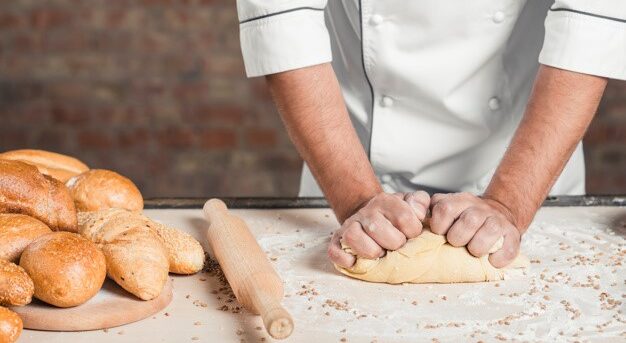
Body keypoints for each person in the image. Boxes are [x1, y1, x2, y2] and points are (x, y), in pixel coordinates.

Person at [236, 1, 625, 268]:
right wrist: (356, 199)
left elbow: (587, 26)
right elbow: (285, 20)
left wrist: (508, 204)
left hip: (529, 177)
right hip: (348, 166)